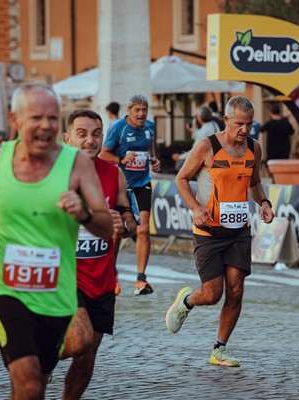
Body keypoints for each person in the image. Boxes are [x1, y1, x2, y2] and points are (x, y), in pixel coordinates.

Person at [0, 83, 113, 399]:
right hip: (4, 288)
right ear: (16, 120)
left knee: (34, 384)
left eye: (53, 118)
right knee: (28, 380)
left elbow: (106, 226)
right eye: (36, 118)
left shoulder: (76, 164)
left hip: (56, 295)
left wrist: (82, 213)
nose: (46, 126)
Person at [165, 96, 275, 367]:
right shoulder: (207, 146)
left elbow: (255, 182)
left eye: (249, 124)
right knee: (213, 293)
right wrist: (195, 209)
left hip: (239, 231)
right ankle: (187, 300)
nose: (245, 130)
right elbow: (180, 179)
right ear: (226, 120)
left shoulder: (254, 148)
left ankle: (220, 349)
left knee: (236, 290)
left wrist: (263, 202)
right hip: (209, 232)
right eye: (239, 124)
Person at [61, 109, 137, 399]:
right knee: (79, 342)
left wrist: (124, 224)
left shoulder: (113, 173)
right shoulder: (54, 174)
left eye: (96, 133)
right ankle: (39, 355)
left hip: (102, 279)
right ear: (67, 138)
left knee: (86, 357)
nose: (90, 140)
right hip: (66, 276)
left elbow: (129, 219)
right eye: (81, 133)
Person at [99, 94, 161, 296]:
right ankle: (111, 274)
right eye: (138, 110)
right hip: (121, 183)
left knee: (143, 230)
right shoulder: (118, 127)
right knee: (118, 231)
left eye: (144, 109)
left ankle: (141, 279)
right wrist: (122, 159)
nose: (142, 113)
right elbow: (103, 154)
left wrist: (154, 160)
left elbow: (150, 150)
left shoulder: (150, 127)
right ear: (129, 111)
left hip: (142, 183)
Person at [172, 106, 221, 171]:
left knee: (180, 170)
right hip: (216, 158)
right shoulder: (214, 124)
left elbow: (194, 151)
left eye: (197, 116)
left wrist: (180, 157)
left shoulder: (204, 130)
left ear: (200, 118)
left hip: (207, 162)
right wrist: (194, 129)